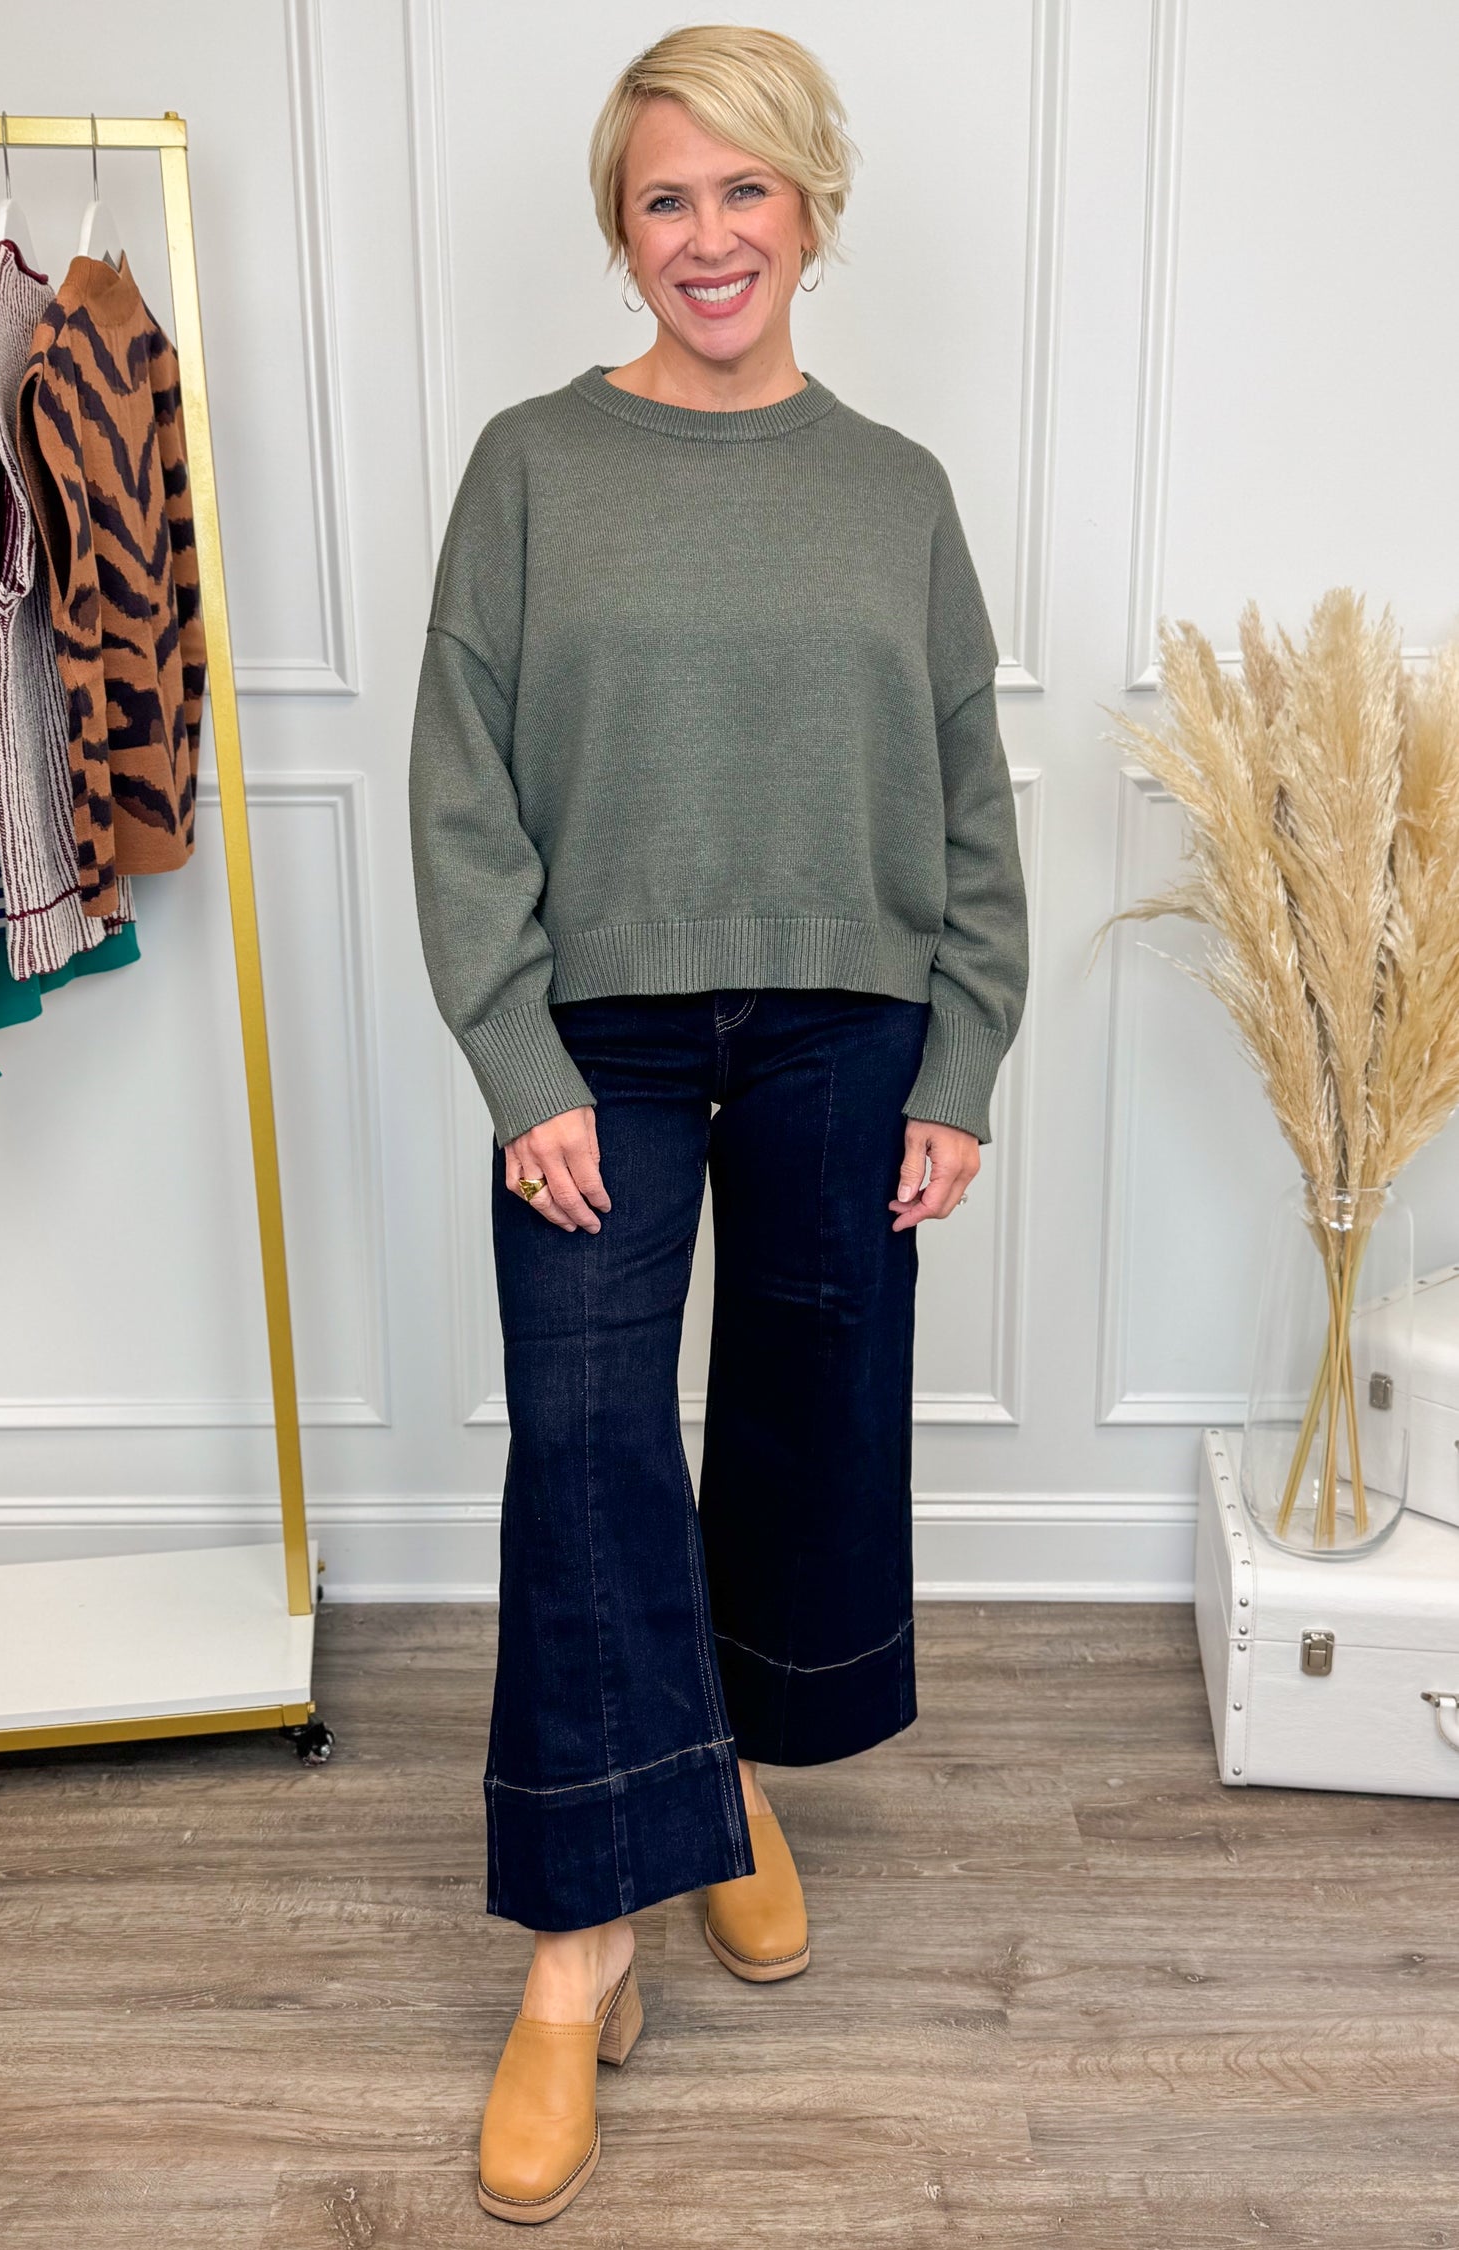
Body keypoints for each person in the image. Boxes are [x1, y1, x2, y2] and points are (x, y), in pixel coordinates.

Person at [407, 20, 1029, 2224]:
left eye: (745, 192)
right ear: (621, 225)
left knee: (799, 1422)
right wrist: (516, 1059)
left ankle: (730, 1784)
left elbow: (971, 799)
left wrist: (959, 1059)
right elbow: (462, 796)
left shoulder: (899, 491)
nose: (708, 237)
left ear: (811, 213)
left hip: (847, 1033)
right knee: (585, 1453)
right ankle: (581, 1962)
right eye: (666, 198)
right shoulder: (528, 468)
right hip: (601, 1045)